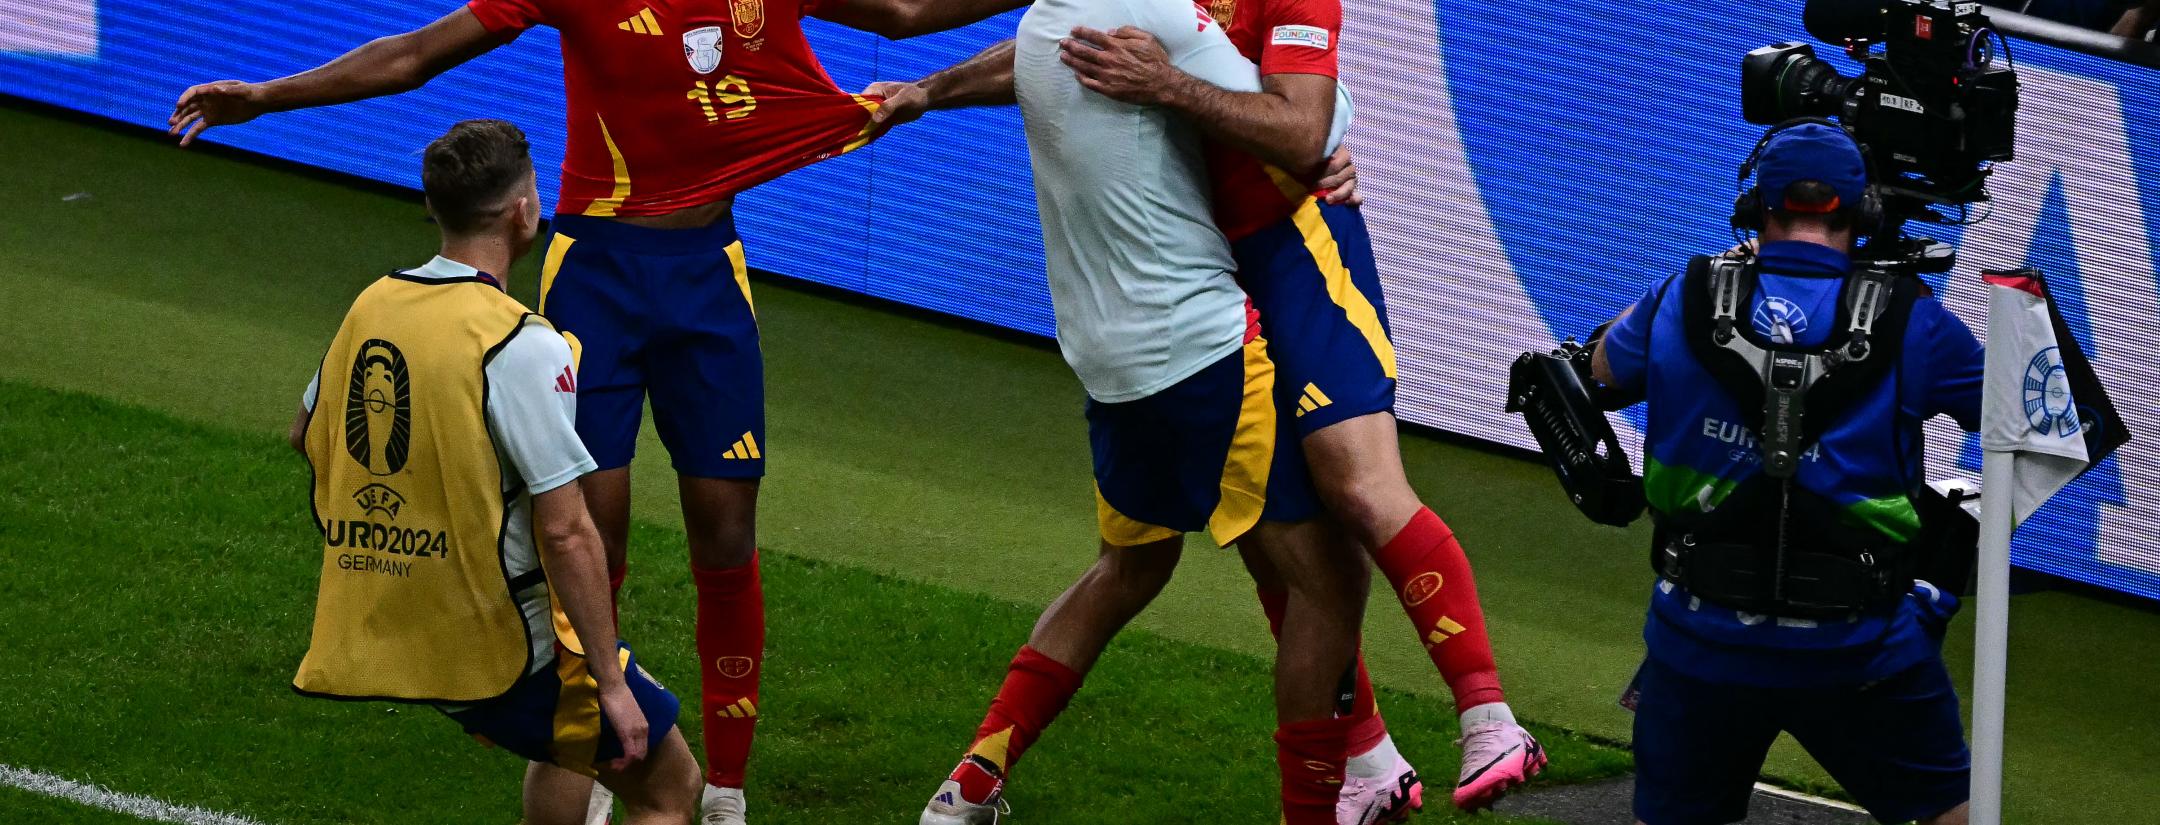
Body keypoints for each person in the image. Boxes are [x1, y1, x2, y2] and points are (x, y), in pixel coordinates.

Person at [171, 0, 1026, 819]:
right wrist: (264, 97)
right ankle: (602, 746)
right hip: (598, 275)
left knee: (725, 532)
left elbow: (908, 11)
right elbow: (414, 55)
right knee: (586, 530)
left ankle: (725, 785)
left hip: (706, 277)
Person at [871, 0, 1546, 812]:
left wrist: (1179, 90)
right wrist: (929, 91)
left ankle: (1489, 717)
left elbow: (1304, 133)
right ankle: (1365, 757)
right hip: (1207, 279)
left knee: (1351, 488)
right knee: (1279, 546)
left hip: (1298, 245)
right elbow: (1050, 39)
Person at [904, 0, 1370, 822]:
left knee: (1129, 569)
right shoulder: (1168, 18)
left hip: (1103, 359)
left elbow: (1012, 56)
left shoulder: (1055, 21)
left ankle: (969, 781)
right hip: (1203, 350)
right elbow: (1303, 133)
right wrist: (1334, 156)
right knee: (1331, 580)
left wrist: (924, 91)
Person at [288, 120, 702, 825]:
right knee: (668, 783)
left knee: (566, 745)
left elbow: (307, 432)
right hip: (502, 639)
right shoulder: (520, 342)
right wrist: (612, 683)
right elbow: (568, 530)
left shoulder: (375, 302)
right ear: (523, 212)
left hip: (405, 617)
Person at [1587, 121, 1981, 825]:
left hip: (1697, 646)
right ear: (1863, 212)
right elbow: (2044, 426)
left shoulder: (1683, 293)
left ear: (1754, 207)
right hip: (1863, 655)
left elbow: (1602, 369)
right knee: (1952, 815)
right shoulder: (1916, 322)